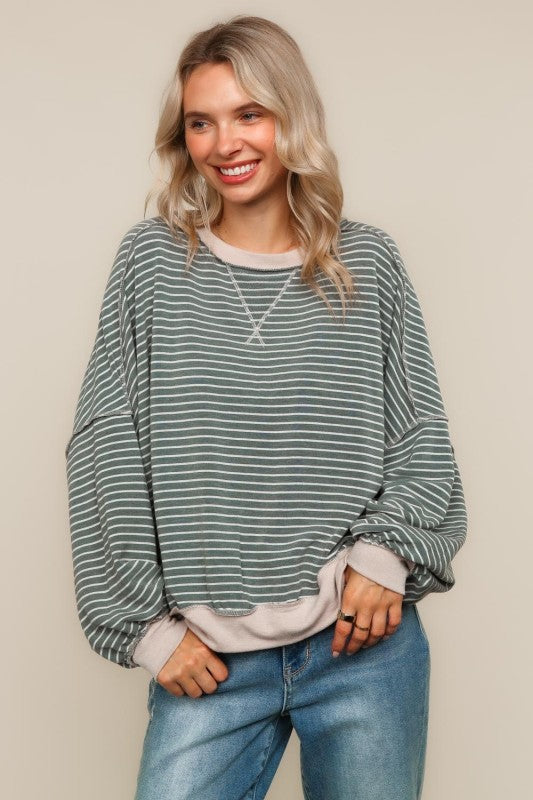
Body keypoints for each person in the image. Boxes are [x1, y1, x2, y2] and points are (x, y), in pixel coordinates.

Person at [64, 14, 468, 800]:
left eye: (249, 114)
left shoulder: (366, 262)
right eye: (201, 123)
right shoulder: (151, 263)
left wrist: (385, 557)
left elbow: (420, 431)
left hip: (363, 648)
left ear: (292, 116)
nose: (224, 144)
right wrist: (144, 631)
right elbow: (104, 442)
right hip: (208, 656)